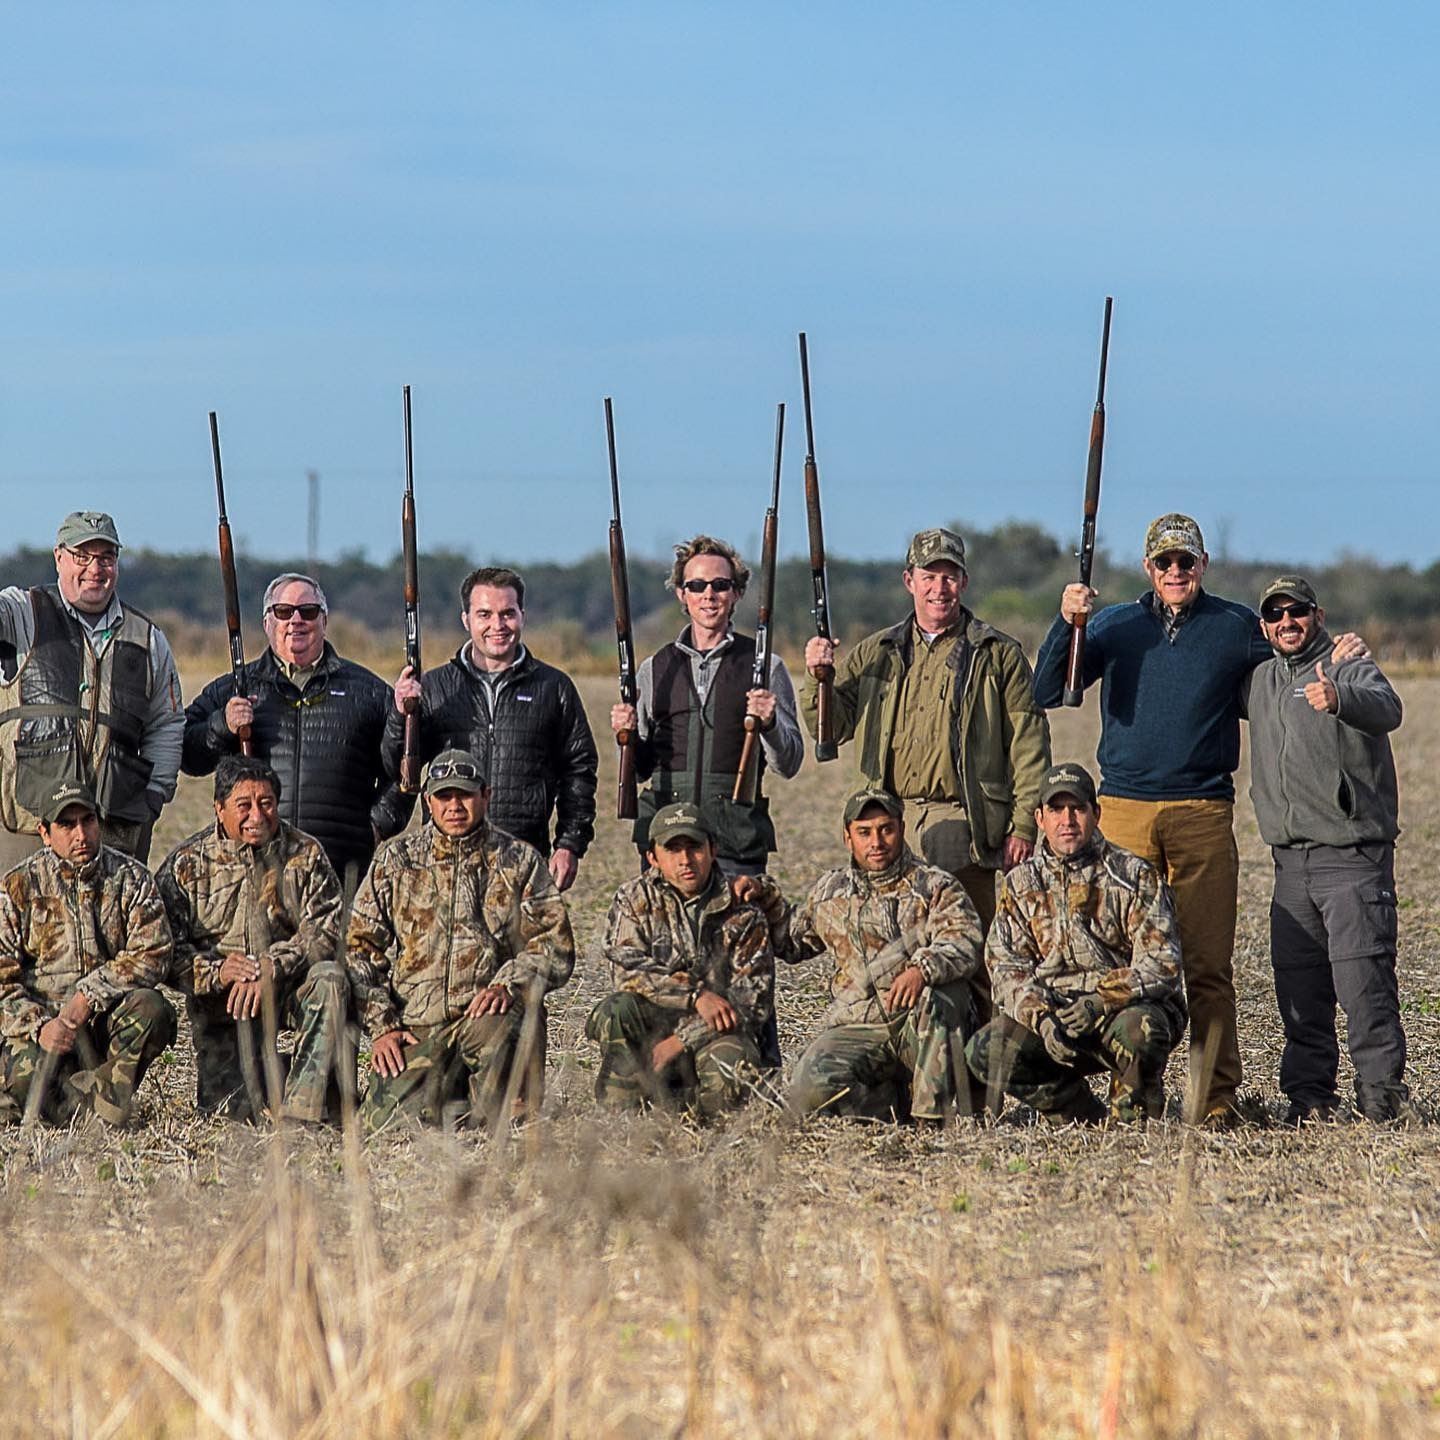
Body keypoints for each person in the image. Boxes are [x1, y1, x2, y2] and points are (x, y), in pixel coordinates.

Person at [1033, 512, 1277, 1126]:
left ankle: (1215, 1098)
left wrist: (1339, 656)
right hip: (1123, 814)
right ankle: (1134, 1094)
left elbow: (1291, 657)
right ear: (1147, 567)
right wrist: (1067, 622)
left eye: (1185, 561)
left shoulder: (1236, 627)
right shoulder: (1112, 625)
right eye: (1164, 562)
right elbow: (1048, 689)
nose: (1175, 571)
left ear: (1203, 565)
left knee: (1207, 967)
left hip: (1202, 812)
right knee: (1122, 964)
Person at [801, 527, 1051, 931]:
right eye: (929, 576)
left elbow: (1030, 746)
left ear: (964, 582)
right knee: (892, 945)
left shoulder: (998, 654)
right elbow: (829, 728)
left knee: (968, 946)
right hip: (889, 823)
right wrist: (818, 678)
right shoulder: (875, 652)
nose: (939, 588)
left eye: (949, 577)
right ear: (909, 581)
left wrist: (1023, 826)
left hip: (963, 823)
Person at [1241, 576, 1409, 1124]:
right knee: (1300, 988)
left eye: (1298, 611)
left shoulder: (1347, 664)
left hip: (1351, 858)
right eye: (1275, 614)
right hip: (1290, 863)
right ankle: (1309, 1099)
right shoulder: (1261, 679)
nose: (1287, 621)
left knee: (1363, 986)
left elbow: (1388, 708)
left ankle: (1382, 1102)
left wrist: (1340, 698)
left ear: (1318, 615)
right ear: (1264, 625)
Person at [347, 749, 576, 1132]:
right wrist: (383, 1025)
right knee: (387, 1125)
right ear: (428, 802)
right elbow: (359, 949)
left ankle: (506, 1104)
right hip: (417, 1026)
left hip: (485, 1019)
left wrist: (509, 983)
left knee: (502, 1111)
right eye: (444, 796)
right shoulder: (396, 860)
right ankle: (454, 1098)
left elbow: (554, 945)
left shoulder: (519, 860)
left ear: (486, 795)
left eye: (465, 795)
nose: (454, 806)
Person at [739, 788, 985, 1123]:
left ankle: (931, 1122)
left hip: (918, 1024)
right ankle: (890, 1104)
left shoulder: (935, 885)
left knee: (941, 998)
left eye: (886, 829)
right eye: (864, 832)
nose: (877, 842)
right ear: (847, 837)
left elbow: (964, 941)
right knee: (807, 1092)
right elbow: (792, 942)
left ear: (901, 828)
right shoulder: (831, 891)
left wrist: (922, 969)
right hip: (859, 1024)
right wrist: (762, 895)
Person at [966, 763, 1186, 1125]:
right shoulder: (1020, 884)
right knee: (986, 1049)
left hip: (1121, 1011)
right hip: (1056, 1016)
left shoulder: (1134, 875)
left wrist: (1101, 1001)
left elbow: (1162, 964)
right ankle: (1079, 1115)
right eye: (1056, 809)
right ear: (1039, 819)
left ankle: (1132, 1121)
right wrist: (1042, 1018)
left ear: (1096, 814)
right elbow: (1006, 968)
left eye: (1077, 808)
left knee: (1141, 1030)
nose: (1067, 820)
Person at [182, 572, 413, 888]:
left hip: (340, 871)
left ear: (324, 621)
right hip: (253, 868)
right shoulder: (232, 689)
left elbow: (404, 765)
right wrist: (223, 725)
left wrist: (376, 826)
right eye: (283, 611)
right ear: (267, 622)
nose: (296, 620)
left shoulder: (369, 692)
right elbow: (187, 754)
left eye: (308, 611)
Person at [157, 755, 349, 1124]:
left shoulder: (305, 853)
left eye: (267, 803)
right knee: (232, 1115)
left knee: (329, 981)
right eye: (243, 805)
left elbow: (329, 927)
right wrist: (217, 972)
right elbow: (162, 951)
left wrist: (272, 965)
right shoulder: (186, 864)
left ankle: (303, 1113)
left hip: (288, 988)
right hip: (224, 1005)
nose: (257, 816)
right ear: (219, 808)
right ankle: (286, 1076)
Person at [387, 566, 597, 893]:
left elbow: (579, 771)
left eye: (507, 614)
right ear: (466, 619)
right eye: (484, 614)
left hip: (523, 859)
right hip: (445, 861)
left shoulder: (554, 687)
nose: (497, 625)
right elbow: (394, 765)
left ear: (523, 616)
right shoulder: (435, 687)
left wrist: (570, 844)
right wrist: (401, 715)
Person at [0, 511, 184, 867]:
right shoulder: (23, 613)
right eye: (82, 556)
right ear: (59, 558)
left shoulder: (147, 638)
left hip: (113, 833)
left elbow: (167, 723)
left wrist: (154, 795)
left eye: (106, 557)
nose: (95, 568)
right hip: (25, 827)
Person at [610, 534, 804, 871]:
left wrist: (770, 724)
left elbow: (789, 764)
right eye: (697, 585)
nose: (708, 595)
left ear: (737, 592)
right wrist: (624, 737)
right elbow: (637, 770)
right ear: (681, 594)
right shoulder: (654, 669)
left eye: (720, 585)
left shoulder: (766, 668)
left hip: (735, 846)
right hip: (668, 844)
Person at [0, 779, 176, 1126]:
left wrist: (88, 995)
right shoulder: (18, 886)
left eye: (88, 820)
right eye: (67, 825)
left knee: (152, 1009)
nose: (80, 834)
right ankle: (70, 1109)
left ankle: (102, 1108)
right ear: (45, 833)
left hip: (102, 1022)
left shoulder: (131, 878)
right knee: (22, 1076)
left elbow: (154, 951)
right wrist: (40, 1025)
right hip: (46, 1027)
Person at [586, 802, 773, 1118]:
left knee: (730, 1071)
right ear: (652, 857)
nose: (685, 860)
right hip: (654, 1025)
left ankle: (698, 1119)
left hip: (714, 1034)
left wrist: (681, 1040)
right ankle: (624, 1112)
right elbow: (627, 970)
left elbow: (752, 1002)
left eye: (694, 847)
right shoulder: (633, 898)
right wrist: (696, 996)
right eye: (672, 850)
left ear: (713, 850)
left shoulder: (743, 909)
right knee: (617, 1009)